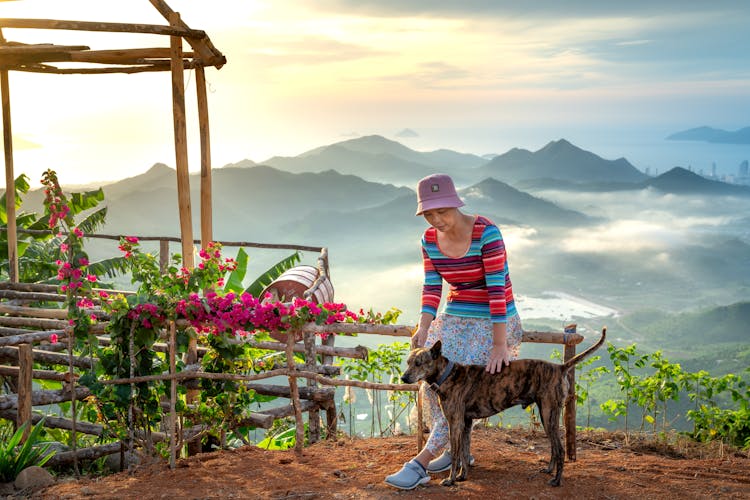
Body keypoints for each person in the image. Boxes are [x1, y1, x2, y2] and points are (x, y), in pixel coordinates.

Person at [384, 173, 523, 490]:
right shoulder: (429, 240)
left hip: (495, 319)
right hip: (456, 315)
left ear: (456, 204)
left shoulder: (487, 234)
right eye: (429, 214)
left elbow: (496, 290)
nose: (436, 219)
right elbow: (433, 285)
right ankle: (455, 448)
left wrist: (499, 345)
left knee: (455, 386)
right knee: (428, 379)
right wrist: (424, 328)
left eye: (441, 211)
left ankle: (420, 463)